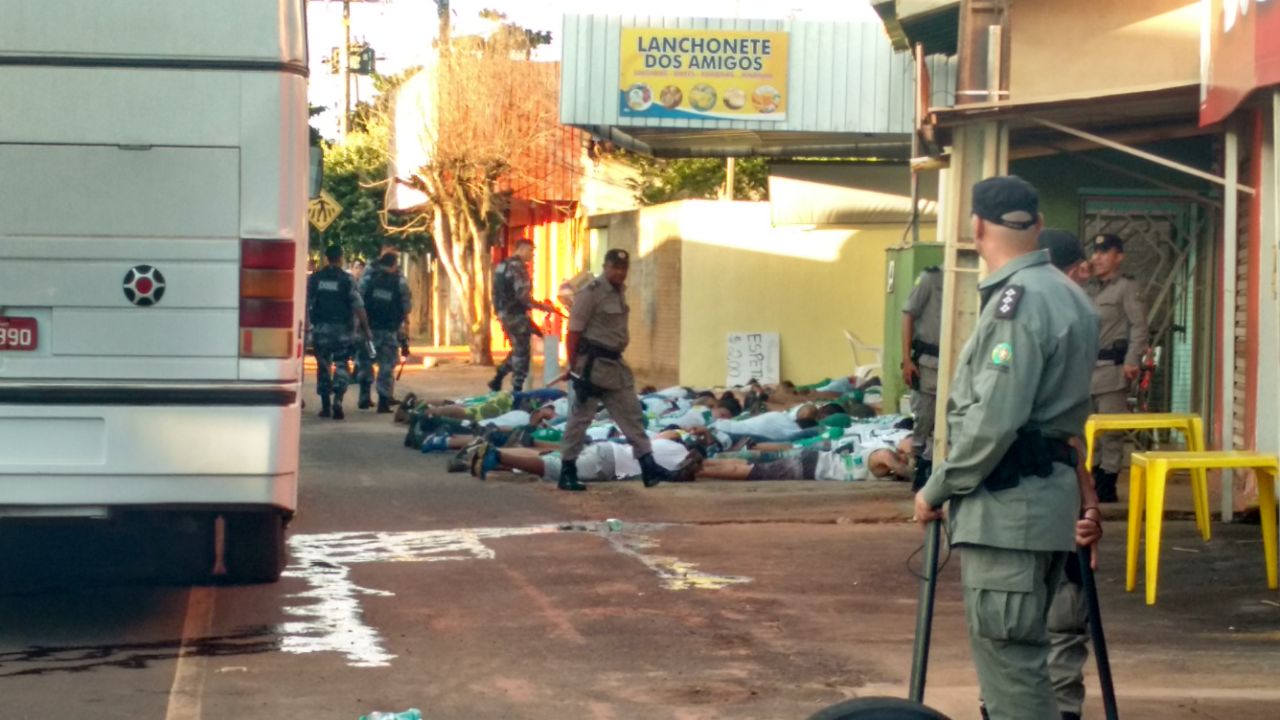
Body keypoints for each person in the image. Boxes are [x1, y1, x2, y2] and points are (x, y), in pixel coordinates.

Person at [914, 176, 1099, 720]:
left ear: (975, 227)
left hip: (1009, 507)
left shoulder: (1016, 303)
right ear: (1038, 224)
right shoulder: (1069, 294)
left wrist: (937, 486)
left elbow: (995, 416)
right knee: (1024, 660)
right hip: (1045, 503)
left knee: (1012, 670)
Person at [1038, 228, 1106, 720]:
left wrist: (1089, 506)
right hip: (1044, 494)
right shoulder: (1069, 318)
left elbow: (1072, 435)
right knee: (1040, 624)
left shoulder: (1048, 317)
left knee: (1052, 621)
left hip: (1043, 493)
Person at [556, 249, 671, 492]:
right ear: (605, 267)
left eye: (623, 268)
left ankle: (648, 466)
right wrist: (573, 366)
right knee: (580, 420)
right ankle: (567, 470)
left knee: (632, 414)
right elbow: (574, 332)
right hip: (592, 367)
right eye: (614, 268)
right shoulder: (591, 294)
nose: (619, 273)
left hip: (614, 366)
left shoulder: (619, 292)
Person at [1086, 233, 1148, 502]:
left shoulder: (1125, 288)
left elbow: (1139, 326)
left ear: (1118, 257)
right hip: (1083, 371)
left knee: (1110, 432)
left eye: (1105, 252)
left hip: (1111, 371)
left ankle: (1107, 486)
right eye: (1095, 252)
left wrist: (1133, 359)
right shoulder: (1086, 287)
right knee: (1087, 433)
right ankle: (1090, 483)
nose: (1097, 257)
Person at [307, 245, 372, 420]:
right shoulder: (347, 280)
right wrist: (366, 329)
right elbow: (358, 306)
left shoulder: (315, 279)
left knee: (323, 366)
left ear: (327, 258)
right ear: (341, 258)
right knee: (342, 364)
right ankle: (338, 400)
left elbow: (306, 304)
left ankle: (325, 405)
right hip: (343, 331)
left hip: (321, 330)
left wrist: (307, 327)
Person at [489, 238, 557, 393]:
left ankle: (498, 377)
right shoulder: (518, 267)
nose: (532, 255)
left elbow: (495, 291)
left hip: (504, 313)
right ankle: (516, 390)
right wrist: (543, 307)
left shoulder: (502, 265)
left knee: (518, 350)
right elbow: (523, 296)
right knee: (522, 353)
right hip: (515, 314)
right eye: (531, 251)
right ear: (522, 249)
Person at [902, 264, 944, 491]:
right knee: (925, 415)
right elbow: (908, 314)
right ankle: (919, 462)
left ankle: (929, 467)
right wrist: (907, 359)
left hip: (955, 362)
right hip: (928, 362)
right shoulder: (930, 278)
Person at [356, 252, 413, 413]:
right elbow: (406, 308)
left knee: (365, 362)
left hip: (368, 330)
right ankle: (383, 401)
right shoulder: (400, 282)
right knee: (386, 366)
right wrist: (404, 333)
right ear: (394, 264)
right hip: (389, 330)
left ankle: (364, 396)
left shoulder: (367, 280)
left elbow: (358, 302)